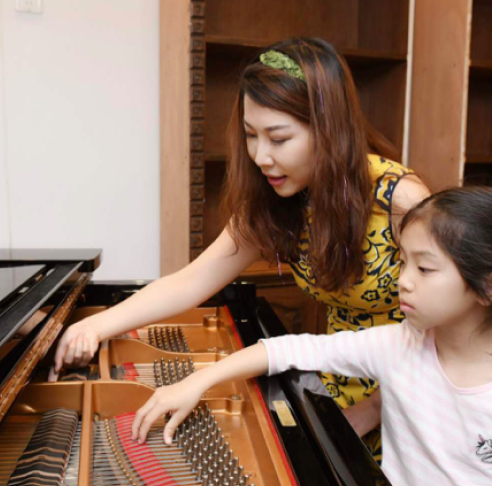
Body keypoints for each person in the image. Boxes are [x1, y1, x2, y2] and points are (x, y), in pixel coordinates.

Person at [131, 187, 492, 486]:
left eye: (424, 268)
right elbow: (291, 348)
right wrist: (197, 382)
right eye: (402, 262)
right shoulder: (401, 345)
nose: (403, 280)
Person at [50, 38, 430, 463]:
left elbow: (452, 328)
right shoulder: (282, 199)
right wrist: (95, 327)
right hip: (338, 382)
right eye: (251, 135)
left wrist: (373, 410)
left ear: (329, 130)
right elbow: (191, 280)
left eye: (278, 138)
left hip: (411, 397)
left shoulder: (399, 200)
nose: (261, 156)